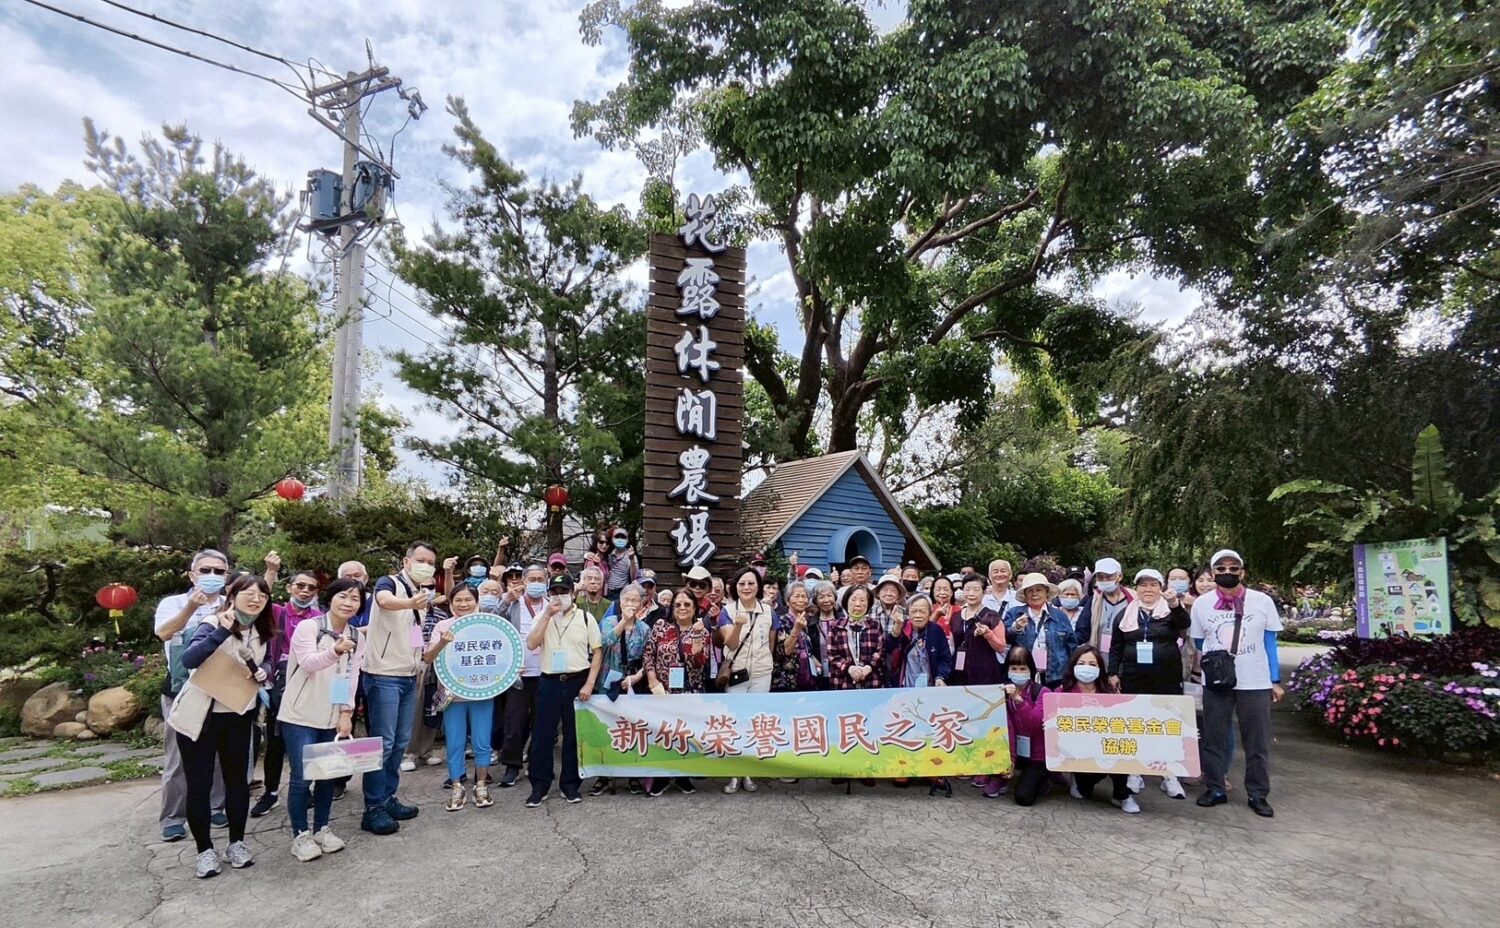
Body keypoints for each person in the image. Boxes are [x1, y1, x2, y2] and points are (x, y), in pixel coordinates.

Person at [169, 574, 275, 877]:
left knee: (237, 783)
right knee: (199, 785)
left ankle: (237, 844)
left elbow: (269, 662)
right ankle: (204, 850)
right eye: (249, 593)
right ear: (233, 594)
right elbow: (190, 659)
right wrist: (225, 630)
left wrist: (263, 671)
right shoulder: (213, 623)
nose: (255, 599)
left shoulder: (263, 631)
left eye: (262, 596)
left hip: (237, 714)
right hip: (198, 717)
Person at [1191, 549, 1284, 818]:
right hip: (1218, 681)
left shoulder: (1261, 601)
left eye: (1234, 568)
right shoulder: (1202, 604)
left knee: (1257, 740)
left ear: (1242, 572)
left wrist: (1274, 680)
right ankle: (1215, 788)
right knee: (1214, 736)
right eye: (1221, 569)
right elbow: (1199, 642)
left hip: (1254, 680)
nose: (1227, 573)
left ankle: (1257, 793)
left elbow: (1270, 642)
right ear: (1213, 572)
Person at [278, 577, 362, 862]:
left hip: (331, 715)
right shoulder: (309, 627)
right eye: (343, 596)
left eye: (355, 598)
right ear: (330, 598)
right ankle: (299, 835)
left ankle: (322, 829)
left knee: (327, 775)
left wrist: (346, 712)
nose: (348, 602)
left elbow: (350, 676)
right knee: (302, 779)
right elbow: (309, 663)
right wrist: (335, 650)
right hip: (300, 714)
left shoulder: (357, 635)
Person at [359, 542, 435, 835]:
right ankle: (373, 808)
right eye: (420, 559)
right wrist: (410, 603)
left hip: (406, 676)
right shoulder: (389, 582)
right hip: (382, 674)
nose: (425, 565)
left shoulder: (421, 600)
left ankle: (388, 797)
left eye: (430, 562)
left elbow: (415, 637)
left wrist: (418, 664)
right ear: (407, 560)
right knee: (383, 742)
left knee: (399, 742)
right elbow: (383, 601)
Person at [153, 549, 229, 842]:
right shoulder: (172, 603)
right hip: (182, 689)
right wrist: (190, 609)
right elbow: (163, 633)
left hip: (221, 687)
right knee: (178, 757)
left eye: (219, 572)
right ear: (192, 574)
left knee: (222, 754)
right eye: (206, 570)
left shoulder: (228, 604)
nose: (212, 577)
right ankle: (173, 817)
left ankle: (215, 806)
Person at [1107, 568, 1192, 800]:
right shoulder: (1125, 614)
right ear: (1137, 588)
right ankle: (1135, 772)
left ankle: (1169, 774)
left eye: (1153, 585)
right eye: (1143, 585)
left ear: (1160, 588)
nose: (1148, 589)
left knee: (1165, 725)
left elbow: (1185, 622)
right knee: (1136, 724)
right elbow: (1115, 647)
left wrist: (1174, 603)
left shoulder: (1170, 612)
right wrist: (1113, 672)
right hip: (1134, 676)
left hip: (1166, 677)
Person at [523, 573, 603, 808]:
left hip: (576, 681)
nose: (559, 596)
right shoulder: (542, 616)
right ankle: (540, 785)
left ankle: (570, 784)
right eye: (555, 592)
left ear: (573, 593)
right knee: (542, 735)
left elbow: (597, 651)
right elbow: (531, 643)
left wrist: (589, 683)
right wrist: (547, 615)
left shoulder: (586, 618)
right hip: (548, 681)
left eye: (564, 592)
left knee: (573, 736)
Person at [251, 570, 323, 819]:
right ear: (290, 587)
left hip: (311, 686)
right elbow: (258, 600)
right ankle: (271, 792)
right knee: (276, 741)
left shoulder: (319, 618)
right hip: (279, 686)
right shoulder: (278, 612)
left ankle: (306, 789)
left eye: (311, 588)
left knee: (307, 741)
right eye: (300, 585)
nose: (305, 591)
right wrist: (270, 572)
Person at [423, 585, 497, 811]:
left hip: (482, 692)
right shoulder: (442, 625)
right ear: (451, 602)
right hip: (451, 694)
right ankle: (457, 786)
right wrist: (443, 642)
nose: (463, 604)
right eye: (458, 600)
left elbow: (500, 653)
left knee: (482, 742)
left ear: (477, 601)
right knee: (454, 743)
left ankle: (481, 784)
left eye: (468, 600)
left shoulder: (488, 623)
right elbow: (427, 658)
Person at [642, 589, 712, 797]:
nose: (682, 608)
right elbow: (648, 654)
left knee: (685, 734)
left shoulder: (702, 630)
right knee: (663, 732)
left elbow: (699, 662)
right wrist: (652, 679)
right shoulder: (661, 626)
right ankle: (662, 776)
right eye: (678, 604)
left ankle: (683, 775)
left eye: (687, 604)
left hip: (690, 690)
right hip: (662, 690)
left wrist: (698, 636)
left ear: (694, 608)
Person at [883, 594, 953, 796]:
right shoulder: (903, 628)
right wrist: (896, 628)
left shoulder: (936, 631)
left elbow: (945, 658)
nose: (918, 615)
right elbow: (888, 648)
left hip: (929, 689)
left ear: (930, 612)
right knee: (904, 727)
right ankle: (903, 767)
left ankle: (930, 767)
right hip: (904, 687)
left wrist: (941, 677)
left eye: (923, 611)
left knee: (929, 728)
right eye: (914, 611)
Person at [590, 582, 653, 796]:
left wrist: (636, 677)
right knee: (606, 728)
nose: (630, 604)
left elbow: (649, 658)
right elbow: (605, 641)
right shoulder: (609, 621)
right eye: (627, 600)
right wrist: (624, 621)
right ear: (621, 602)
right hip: (607, 680)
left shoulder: (645, 629)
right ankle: (604, 775)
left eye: (635, 600)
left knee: (631, 728)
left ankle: (633, 774)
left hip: (632, 683)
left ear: (642, 604)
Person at [1059, 645, 1139, 814]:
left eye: (1092, 664)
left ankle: (1121, 794)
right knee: (1083, 793)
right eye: (1082, 663)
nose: (1087, 668)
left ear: (1100, 668)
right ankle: (1077, 779)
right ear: (1073, 666)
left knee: (1120, 745)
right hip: (1080, 755)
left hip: (1106, 750)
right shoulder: (1062, 692)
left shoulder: (1109, 693)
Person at [720, 566, 776, 794]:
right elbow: (731, 644)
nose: (746, 587)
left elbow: (771, 644)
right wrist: (739, 625)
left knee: (755, 723)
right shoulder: (728, 611)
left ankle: (750, 773)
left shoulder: (769, 611)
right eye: (742, 583)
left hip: (762, 673)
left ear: (758, 587)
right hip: (736, 673)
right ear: (735, 587)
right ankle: (734, 773)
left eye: (751, 583)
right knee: (736, 721)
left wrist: (766, 664)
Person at [496, 564, 548, 789]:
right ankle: (512, 766)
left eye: (540, 578)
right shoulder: (514, 604)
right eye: (532, 578)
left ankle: (536, 765)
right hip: (519, 672)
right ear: (524, 581)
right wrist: (506, 598)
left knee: (541, 722)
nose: (536, 582)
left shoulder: (551, 605)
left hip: (545, 671)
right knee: (514, 722)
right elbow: (492, 621)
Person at [957, 573, 1008, 796]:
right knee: (965, 718)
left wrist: (987, 634)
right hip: (961, 673)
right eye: (967, 589)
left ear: (984, 591)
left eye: (975, 589)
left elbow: (1001, 646)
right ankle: (969, 761)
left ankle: (986, 767)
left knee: (986, 720)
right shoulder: (957, 615)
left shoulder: (991, 616)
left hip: (986, 674)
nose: (970, 593)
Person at [1004, 573, 1080, 688]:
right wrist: (1016, 627)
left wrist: (1070, 673)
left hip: (1055, 674)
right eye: (1030, 591)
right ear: (1025, 594)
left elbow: (1071, 645)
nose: (1034, 594)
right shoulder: (1014, 613)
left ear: (1046, 593)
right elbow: (1005, 639)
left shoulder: (1060, 616)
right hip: (1023, 673)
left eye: (1039, 590)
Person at [1003, 645, 1050, 806]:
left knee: (1023, 797)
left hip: (1037, 755)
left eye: (1022, 668)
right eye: (1013, 668)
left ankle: (1047, 776)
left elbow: (1033, 724)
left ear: (1030, 669)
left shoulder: (1042, 692)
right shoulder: (1002, 691)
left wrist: (1019, 700)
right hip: (1014, 751)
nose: (1017, 672)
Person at [826, 585, 884, 692]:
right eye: (853, 599)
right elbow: (832, 654)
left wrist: (868, 668)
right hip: (843, 682)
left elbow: (880, 651)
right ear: (846, 602)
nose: (858, 604)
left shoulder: (875, 625)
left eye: (862, 600)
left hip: (871, 682)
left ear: (869, 604)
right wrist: (849, 668)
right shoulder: (836, 625)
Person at [1078, 557, 1132, 652]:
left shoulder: (1132, 600)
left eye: (1109, 577)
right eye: (1100, 577)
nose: (1104, 580)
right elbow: (1082, 631)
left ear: (1120, 576)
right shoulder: (1093, 601)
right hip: (1100, 656)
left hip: (1125, 657)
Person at [775, 581, 819, 693]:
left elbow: (805, 647)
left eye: (804, 596)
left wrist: (814, 659)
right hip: (786, 679)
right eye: (797, 596)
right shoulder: (781, 620)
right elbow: (785, 650)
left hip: (806, 677)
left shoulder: (806, 621)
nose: (801, 600)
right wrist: (796, 629)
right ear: (787, 600)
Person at [602, 526, 638, 600]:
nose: (620, 539)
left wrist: (631, 559)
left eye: (623, 537)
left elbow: (635, 577)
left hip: (622, 592)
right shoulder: (608, 554)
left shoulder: (631, 555)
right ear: (612, 539)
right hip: (606, 592)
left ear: (627, 539)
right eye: (617, 537)